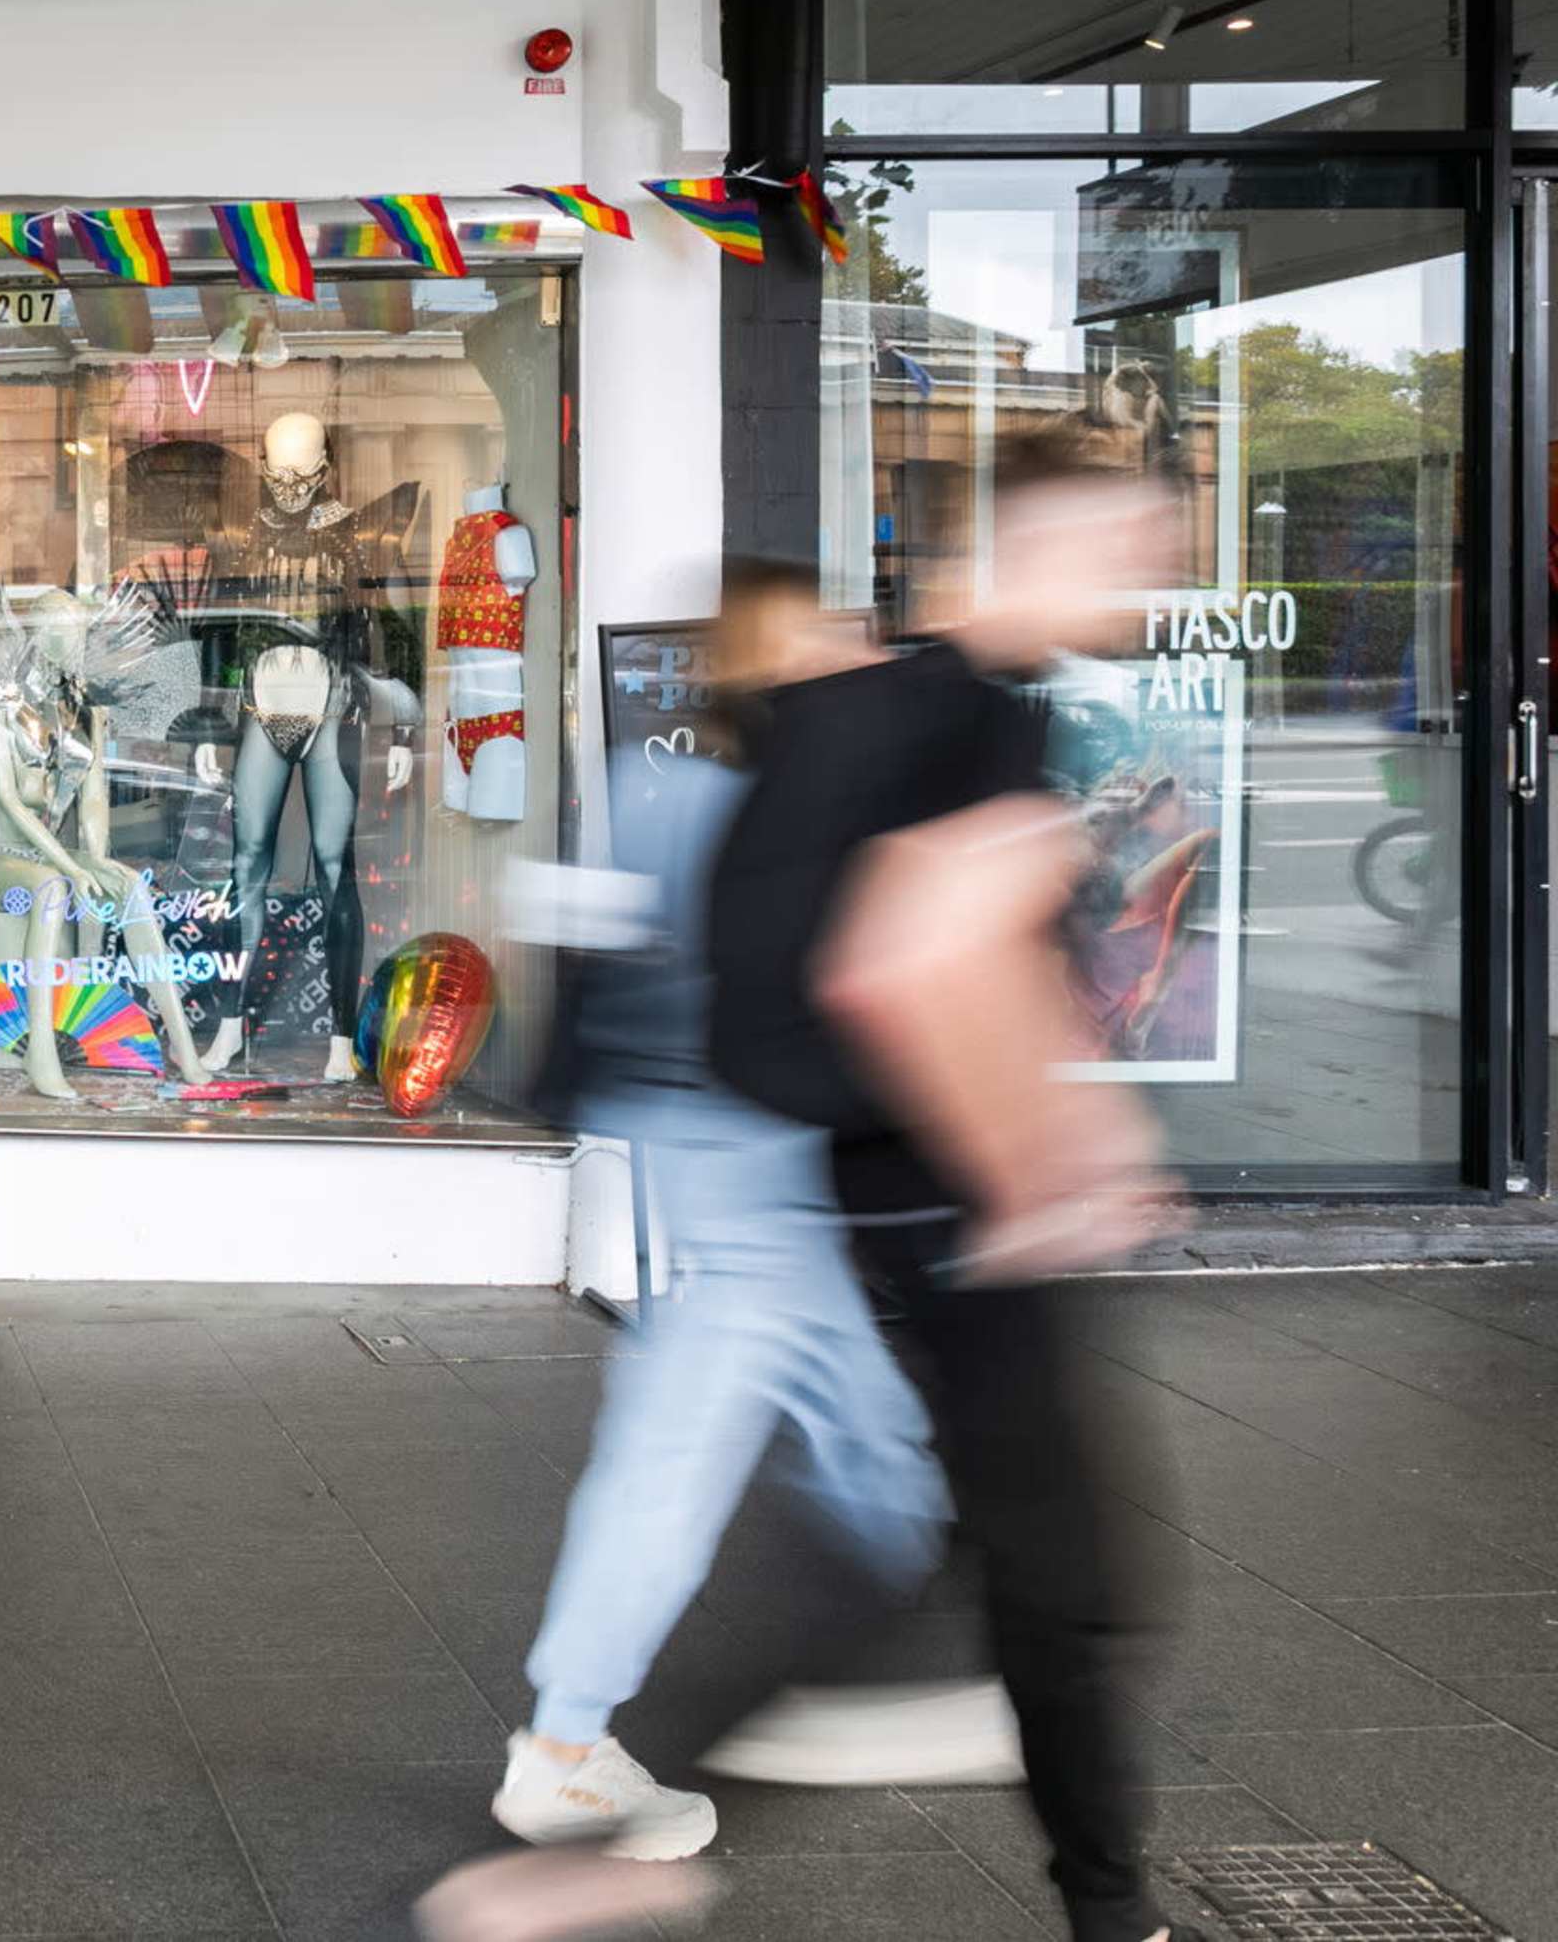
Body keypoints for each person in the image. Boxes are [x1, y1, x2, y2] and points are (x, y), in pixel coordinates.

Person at [424, 425, 1187, 1942]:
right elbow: (897, 955)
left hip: (789, 1167)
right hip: (820, 1177)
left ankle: (960, 1758)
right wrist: (1042, 1160)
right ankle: (589, 1772)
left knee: (887, 1481)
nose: (1148, 574)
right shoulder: (936, 718)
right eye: (1130, 542)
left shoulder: (810, 735)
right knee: (817, 1467)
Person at [486, 560, 998, 1866]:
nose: (855, 645)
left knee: (862, 1413)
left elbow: (584, 937)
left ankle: (921, 1663)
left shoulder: (661, 783)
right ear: (777, 647)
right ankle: (564, 1742)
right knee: (685, 1435)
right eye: (829, 627)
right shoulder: (770, 792)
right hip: (738, 1161)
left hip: (718, 1154)